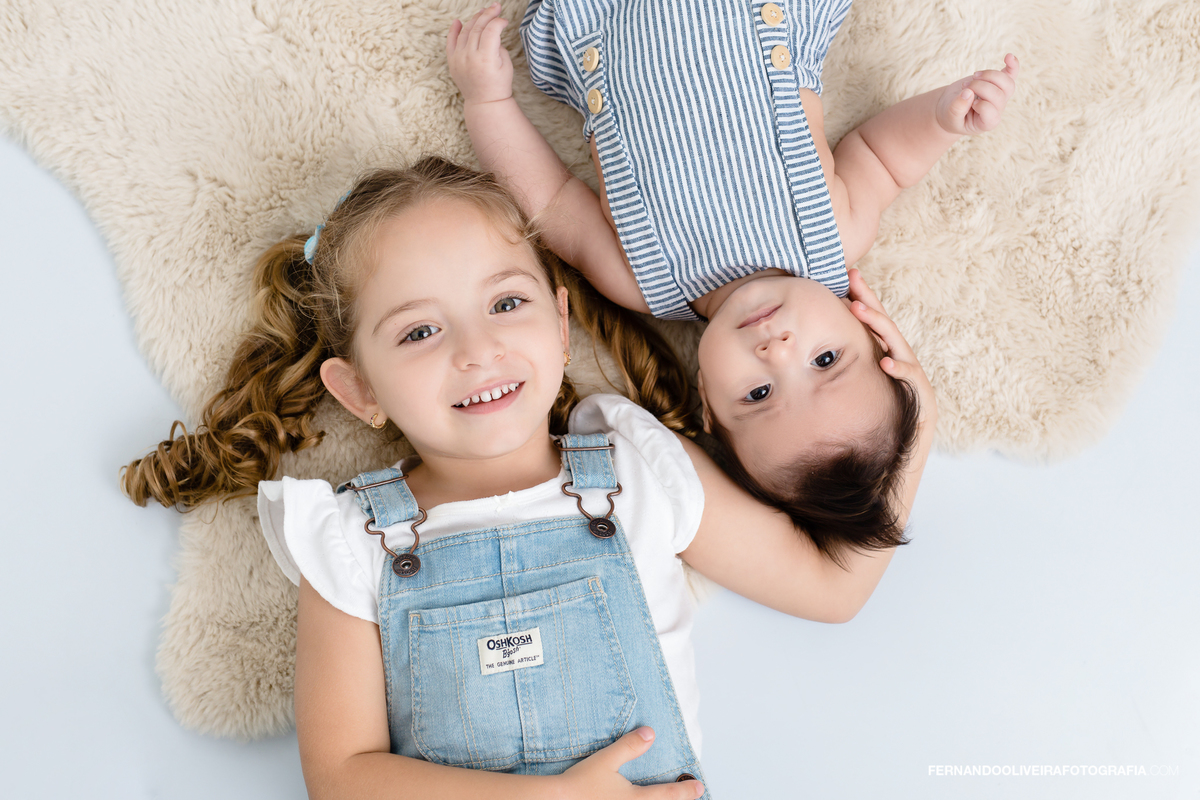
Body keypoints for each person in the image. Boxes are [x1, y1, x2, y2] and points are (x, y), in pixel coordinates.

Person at [122, 156, 935, 797]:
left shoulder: (637, 470)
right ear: (359, 390)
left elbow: (836, 592)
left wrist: (918, 417)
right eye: (420, 332)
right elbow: (343, 778)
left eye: (504, 305)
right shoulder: (349, 542)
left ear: (558, 317)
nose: (476, 350)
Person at [445, 0, 1016, 560]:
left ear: (709, 404)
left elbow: (550, 198)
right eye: (825, 361)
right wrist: (943, 119)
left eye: (760, 393)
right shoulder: (833, 235)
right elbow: (884, 156)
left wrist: (487, 101)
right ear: (865, 328)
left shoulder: (644, 280)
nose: (777, 350)